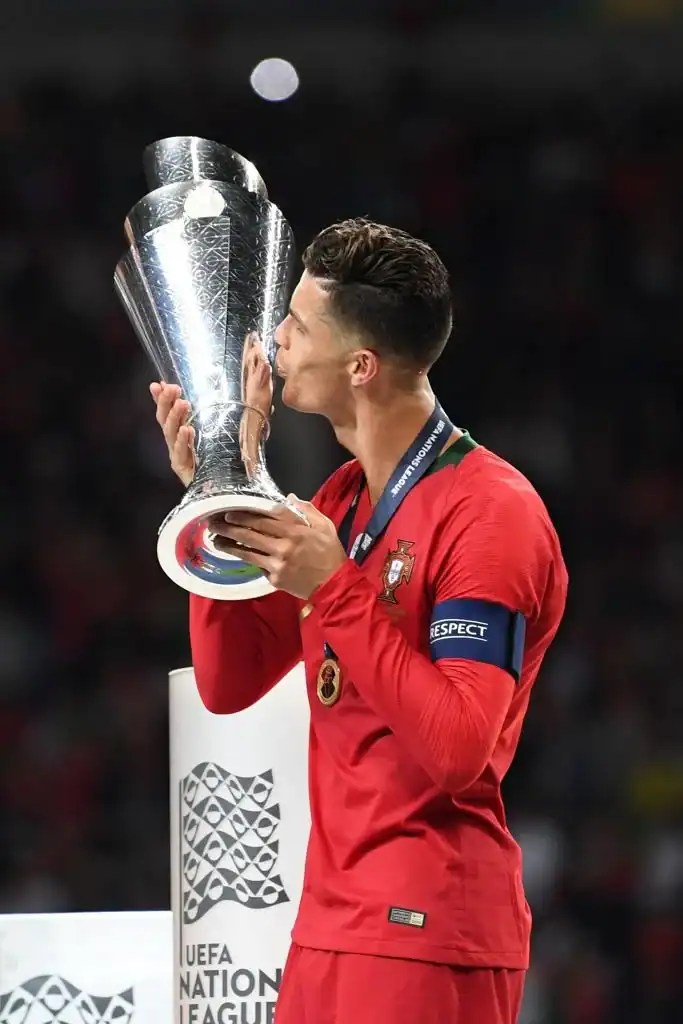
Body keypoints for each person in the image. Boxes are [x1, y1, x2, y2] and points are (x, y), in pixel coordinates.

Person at [150, 218, 568, 1024]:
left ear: (361, 366)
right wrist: (221, 488)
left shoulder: (490, 513)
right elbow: (228, 683)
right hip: (325, 929)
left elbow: (456, 749)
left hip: (425, 931)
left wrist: (336, 587)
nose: (275, 336)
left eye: (298, 324)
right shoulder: (340, 502)